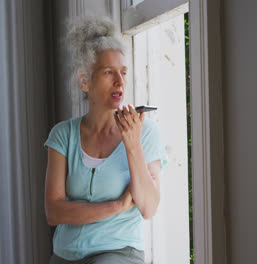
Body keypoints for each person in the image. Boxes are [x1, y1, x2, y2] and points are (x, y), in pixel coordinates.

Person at [44, 16, 168, 264]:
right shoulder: (62, 135)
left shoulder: (145, 132)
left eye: (123, 72)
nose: (120, 82)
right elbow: (54, 212)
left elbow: (148, 207)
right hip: (64, 255)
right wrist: (116, 207)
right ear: (84, 81)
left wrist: (132, 144)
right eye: (109, 72)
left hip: (118, 253)